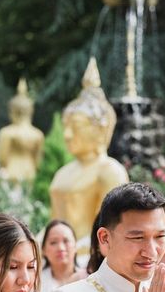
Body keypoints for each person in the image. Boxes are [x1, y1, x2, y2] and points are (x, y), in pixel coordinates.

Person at [49, 58, 129, 251]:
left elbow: (113, 230)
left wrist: (70, 250)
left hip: (88, 256)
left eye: (75, 127)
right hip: (59, 253)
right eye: (66, 127)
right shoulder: (63, 173)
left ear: (99, 130)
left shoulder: (110, 171)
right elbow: (53, 225)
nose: (67, 135)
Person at [0, 78, 45, 182]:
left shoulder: (7, 133)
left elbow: (2, 158)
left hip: (11, 172)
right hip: (31, 173)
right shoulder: (38, 134)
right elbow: (39, 161)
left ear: (13, 111)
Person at [40, 220, 86, 292]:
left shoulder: (89, 278)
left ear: (75, 246)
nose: (60, 248)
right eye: (53, 242)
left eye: (66, 241)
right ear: (43, 249)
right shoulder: (35, 283)